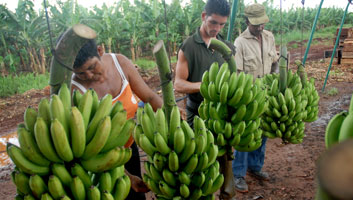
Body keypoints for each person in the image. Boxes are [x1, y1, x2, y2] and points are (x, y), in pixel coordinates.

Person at [71, 39, 163, 200]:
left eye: (92, 68)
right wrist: (126, 176)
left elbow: (149, 97)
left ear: (100, 51)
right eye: (81, 73)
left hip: (128, 147)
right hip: (100, 160)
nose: (89, 76)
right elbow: (87, 143)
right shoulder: (75, 89)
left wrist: (172, 115)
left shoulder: (120, 63)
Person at [232, 3, 278, 193]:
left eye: (262, 23)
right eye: (257, 24)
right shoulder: (239, 42)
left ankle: (255, 167)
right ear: (247, 21)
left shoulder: (269, 37)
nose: (261, 27)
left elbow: (274, 62)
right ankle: (238, 174)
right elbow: (238, 72)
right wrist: (250, 93)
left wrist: (275, 78)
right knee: (245, 135)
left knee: (263, 133)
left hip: (267, 93)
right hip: (249, 97)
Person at [174, 0, 234, 128]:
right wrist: (205, 86)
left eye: (222, 24)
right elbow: (178, 84)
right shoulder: (189, 46)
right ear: (203, 16)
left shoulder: (227, 48)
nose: (217, 28)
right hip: (197, 113)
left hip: (222, 114)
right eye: (213, 22)